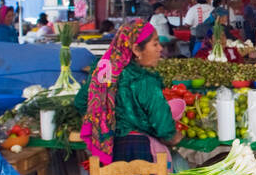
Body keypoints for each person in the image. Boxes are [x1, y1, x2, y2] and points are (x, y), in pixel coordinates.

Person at [76, 20, 183, 164]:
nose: (160, 49)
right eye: (155, 44)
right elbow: (164, 127)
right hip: (138, 153)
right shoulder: (144, 81)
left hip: (106, 152)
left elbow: (81, 102)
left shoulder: (103, 72)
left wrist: (103, 122)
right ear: (136, 50)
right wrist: (175, 136)